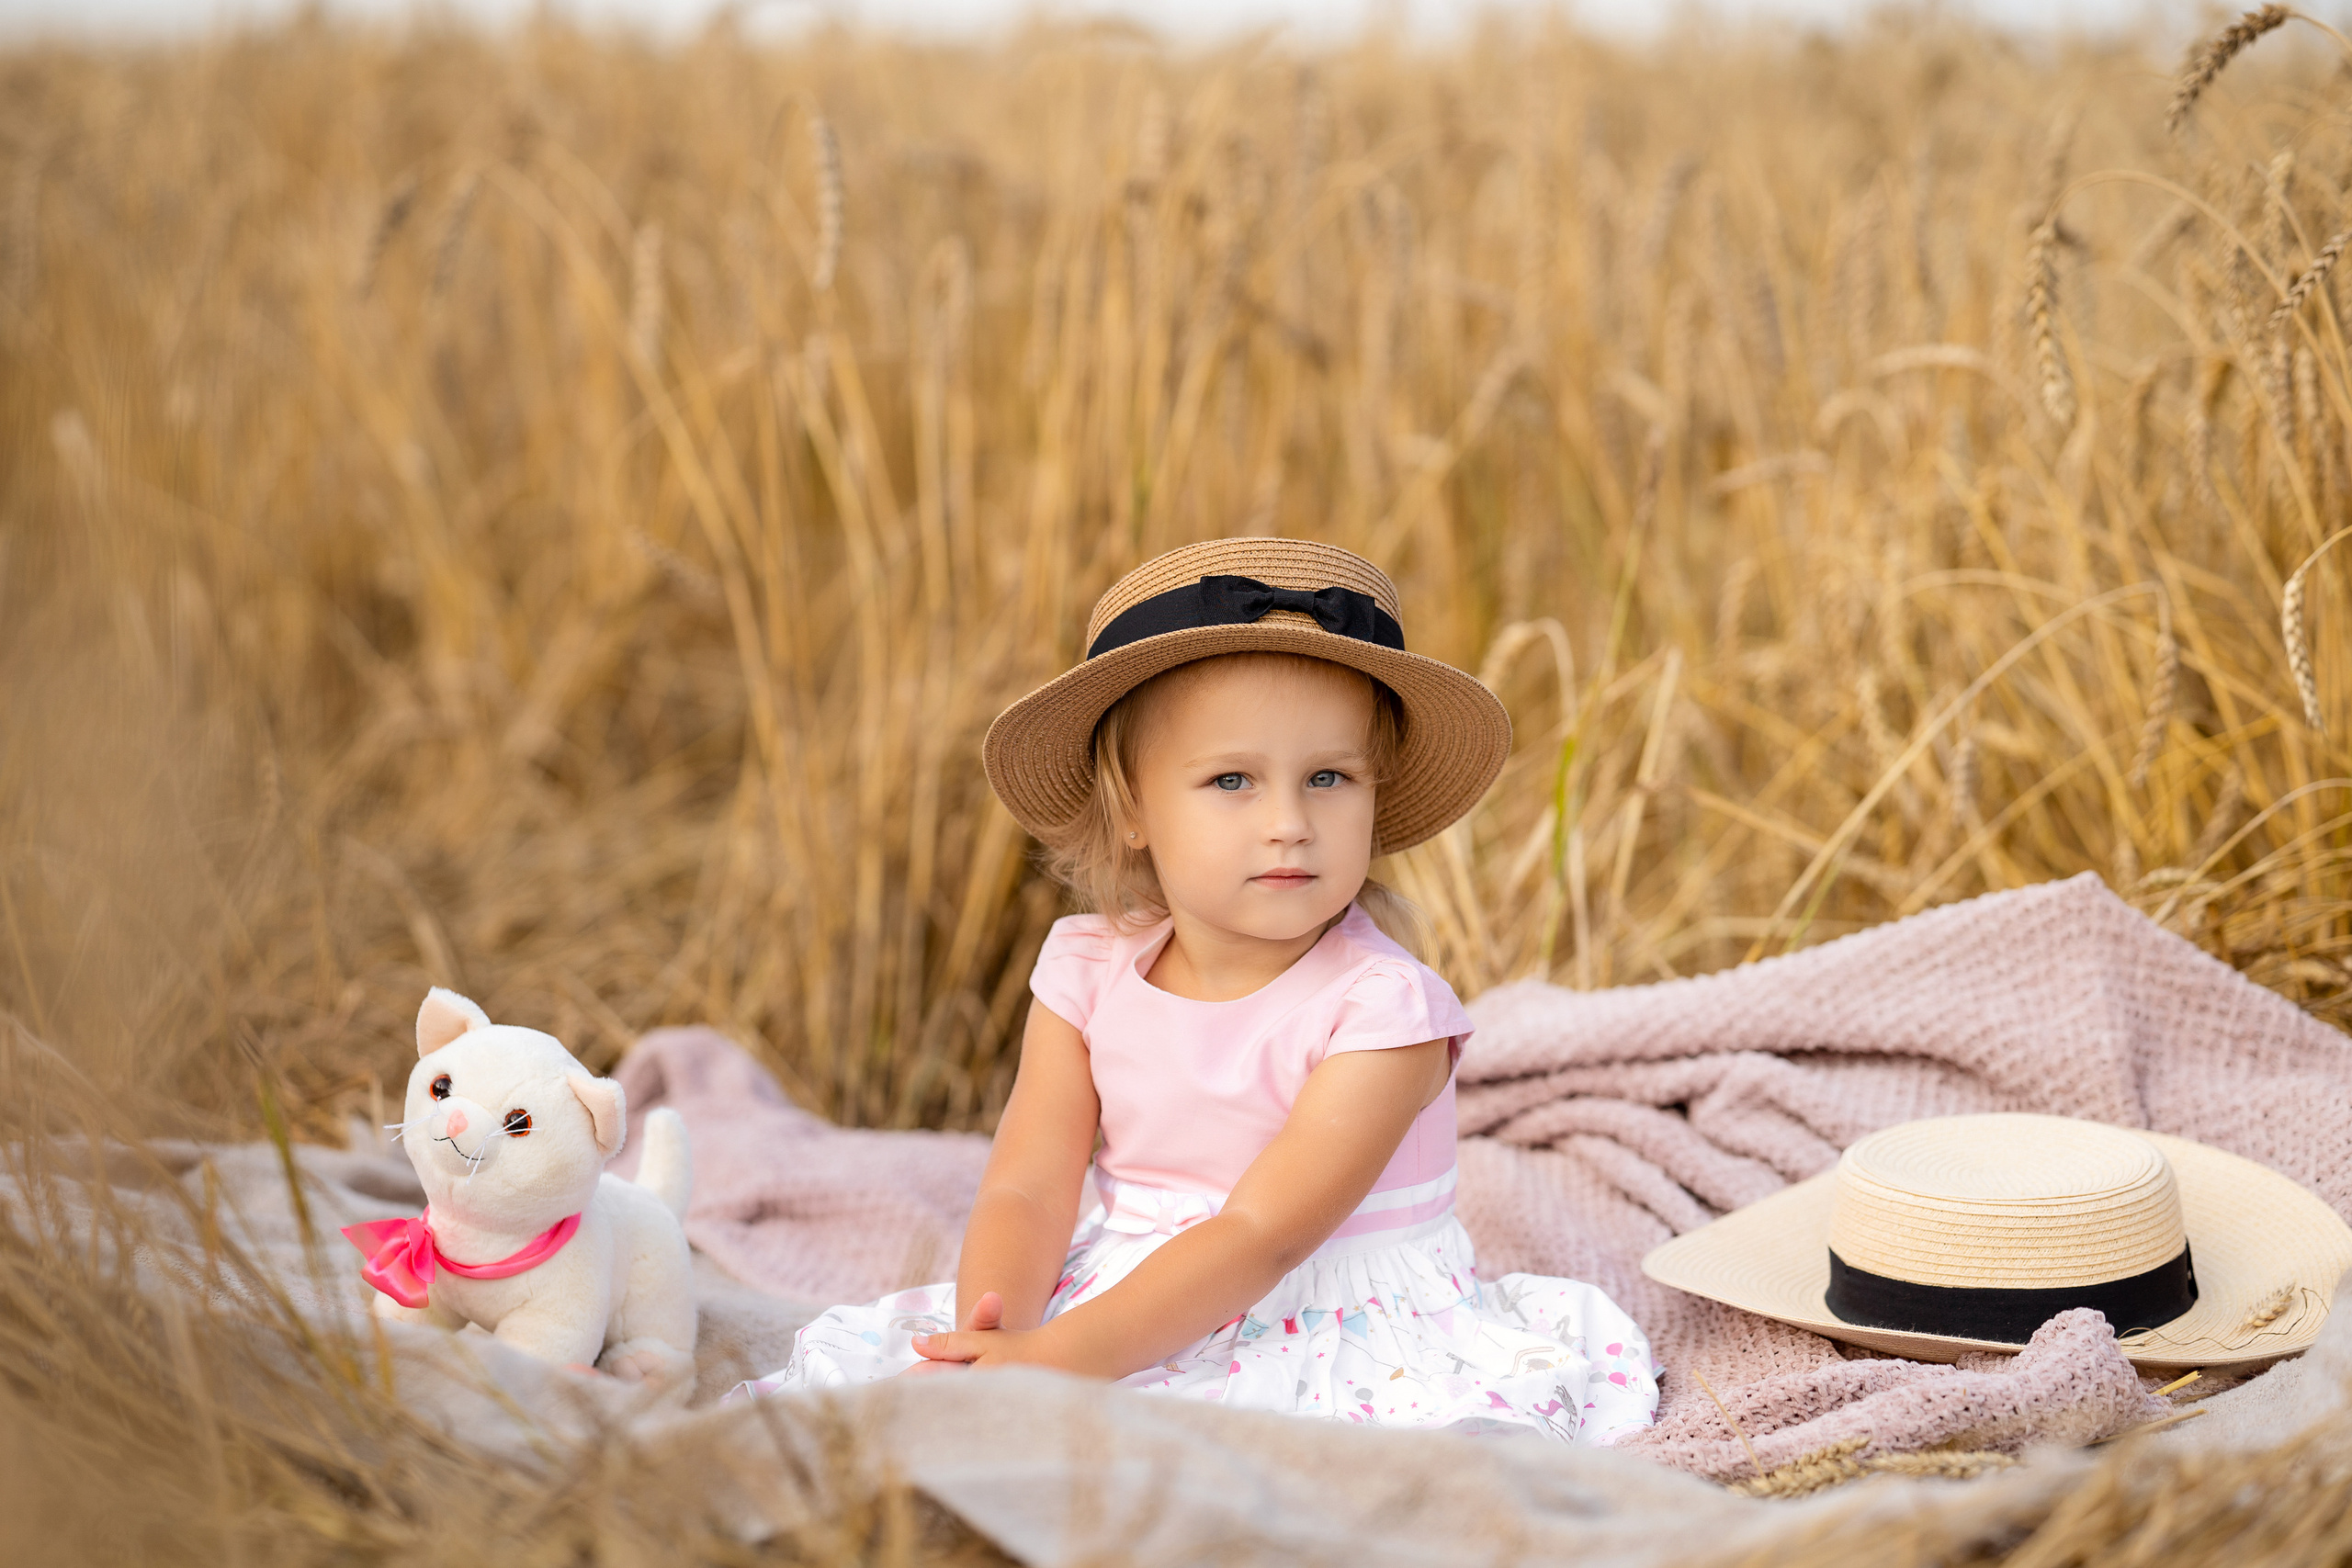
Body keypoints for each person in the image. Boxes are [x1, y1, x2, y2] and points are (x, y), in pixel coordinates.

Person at [737, 537, 1659, 1442]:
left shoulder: (1385, 1012)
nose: (1289, 824)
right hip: (1127, 1284)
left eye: (1328, 778)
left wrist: (1057, 1362)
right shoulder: (1088, 968)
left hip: (1319, 1309)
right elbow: (1029, 1180)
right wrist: (993, 1335)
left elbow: (1261, 1235)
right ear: (1133, 809)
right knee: (911, 1415)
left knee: (1202, 1453)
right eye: (1231, 780)